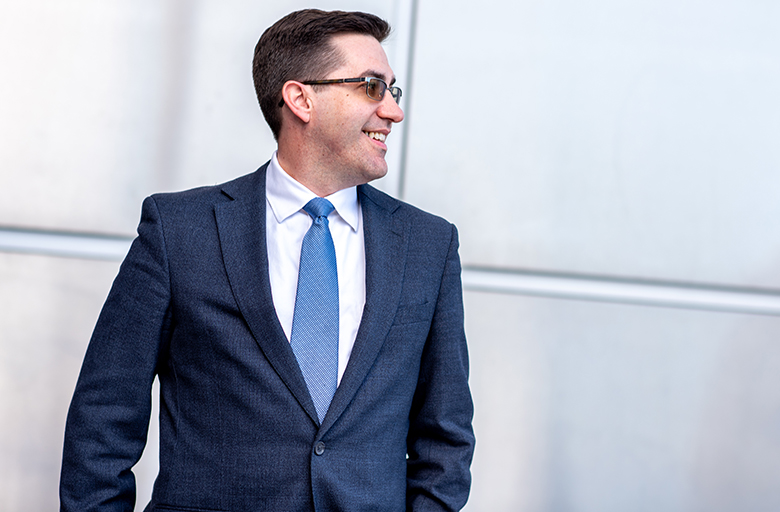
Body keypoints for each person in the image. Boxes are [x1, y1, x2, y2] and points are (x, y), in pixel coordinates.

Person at [60, 9, 474, 512]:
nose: (393, 111)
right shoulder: (178, 231)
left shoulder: (428, 246)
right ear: (301, 99)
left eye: (393, 90)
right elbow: (102, 422)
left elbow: (445, 439)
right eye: (371, 86)